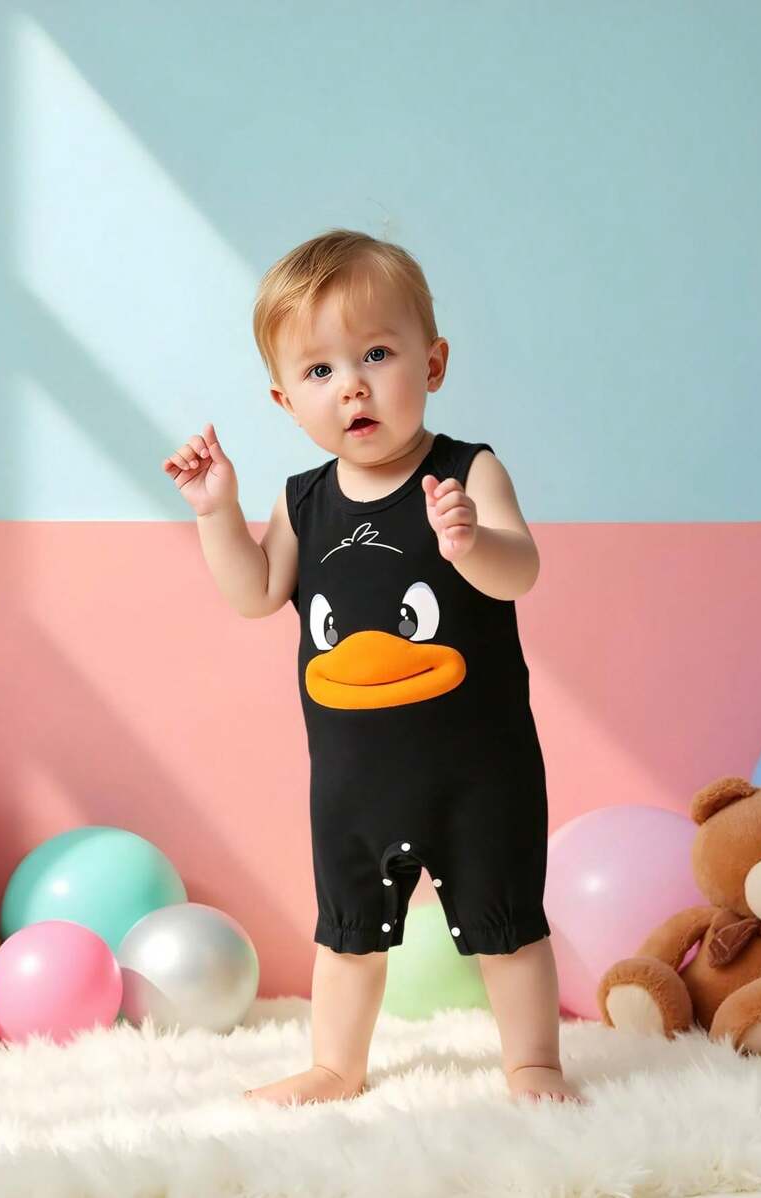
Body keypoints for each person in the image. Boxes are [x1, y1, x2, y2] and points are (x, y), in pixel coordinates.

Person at [161, 229, 584, 1106]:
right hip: (354, 777)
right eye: (320, 371)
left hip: (480, 770)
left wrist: (471, 541)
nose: (351, 384)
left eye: (377, 355)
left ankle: (534, 1063)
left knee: (508, 928)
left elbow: (521, 572)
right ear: (286, 401)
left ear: (433, 363)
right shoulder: (302, 502)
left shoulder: (467, 473)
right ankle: (335, 1065)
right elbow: (255, 593)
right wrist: (217, 512)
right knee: (347, 934)